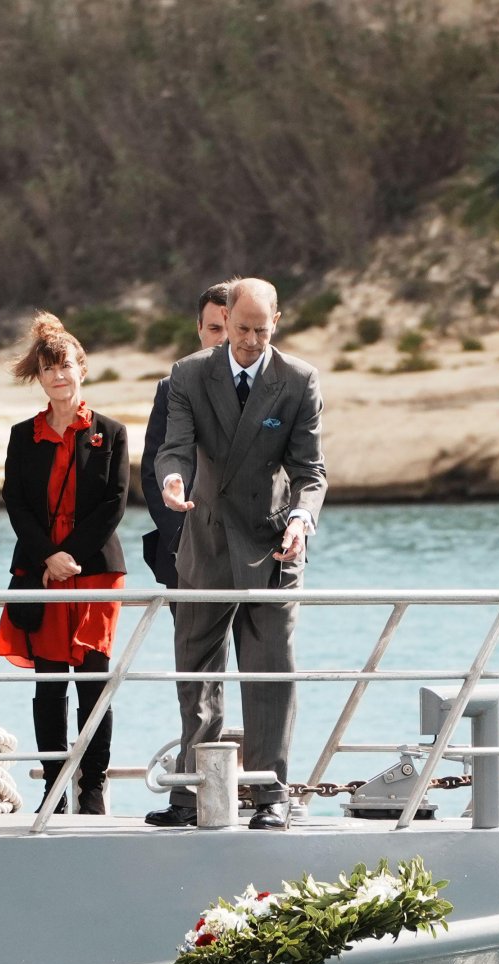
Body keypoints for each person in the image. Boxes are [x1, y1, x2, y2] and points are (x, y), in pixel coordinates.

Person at [150, 276, 327, 831]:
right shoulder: (189, 374)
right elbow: (174, 445)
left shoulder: (298, 380)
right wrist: (173, 482)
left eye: (261, 329)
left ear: (278, 322)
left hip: (273, 544)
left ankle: (271, 793)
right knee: (196, 672)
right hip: (203, 540)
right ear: (225, 318)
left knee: (271, 672)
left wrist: (302, 519)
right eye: (241, 328)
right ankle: (192, 794)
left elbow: (310, 471)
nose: (250, 339)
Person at [0, 313, 129, 816]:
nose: (59, 376)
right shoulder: (21, 436)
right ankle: (53, 787)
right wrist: (48, 556)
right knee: (49, 684)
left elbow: (114, 503)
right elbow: (15, 502)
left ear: (83, 369)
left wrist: (70, 555)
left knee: (93, 682)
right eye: (49, 369)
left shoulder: (111, 433)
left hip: (95, 571)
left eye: (66, 366)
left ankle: (92, 788)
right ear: (39, 377)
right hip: (42, 568)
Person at [140, 282, 232, 587]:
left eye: (234, 327)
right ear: (199, 329)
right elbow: (155, 471)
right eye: (215, 328)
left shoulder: (279, 385)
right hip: (184, 556)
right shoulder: (171, 388)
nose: (225, 338)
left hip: (258, 554)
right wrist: (183, 542)